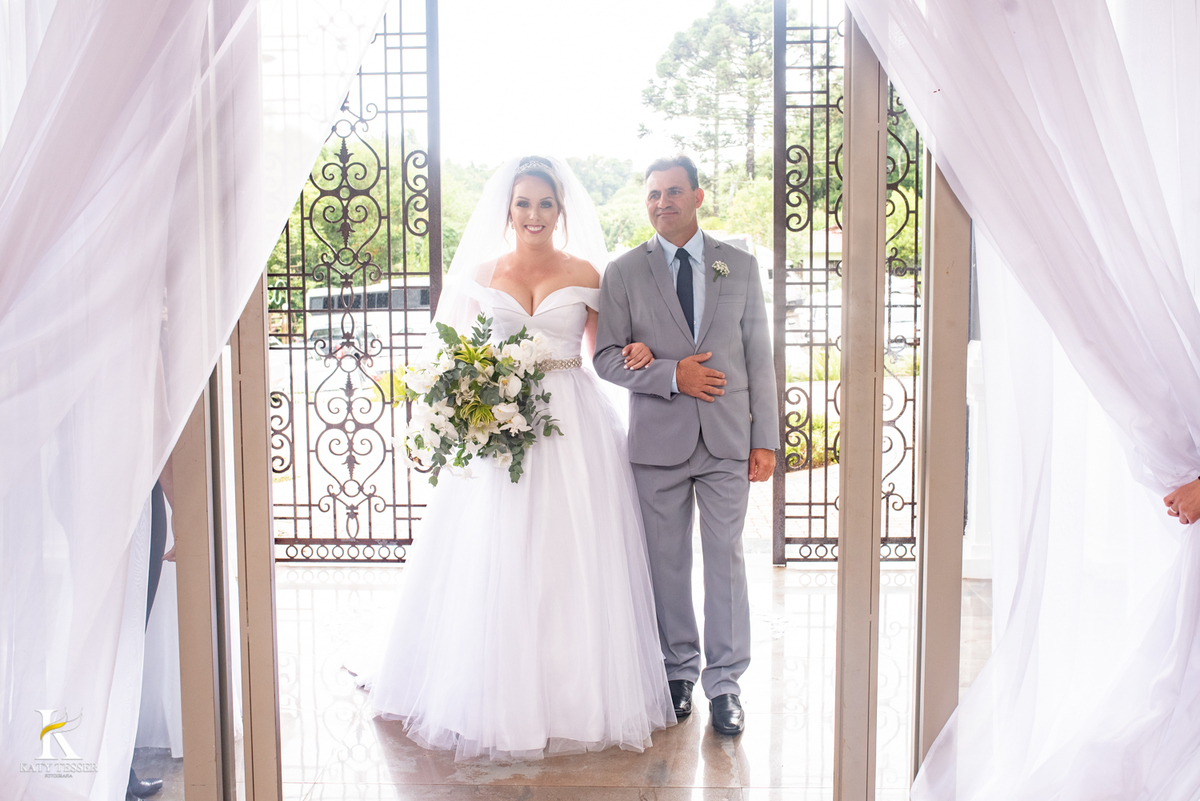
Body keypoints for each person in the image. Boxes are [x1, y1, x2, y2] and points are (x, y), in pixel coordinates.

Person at [366, 156, 675, 761]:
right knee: (500, 550)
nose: (534, 215)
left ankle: (573, 693)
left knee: (571, 552)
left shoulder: (589, 272)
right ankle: (495, 688)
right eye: (524, 203)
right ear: (507, 209)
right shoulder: (481, 273)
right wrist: (466, 398)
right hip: (502, 421)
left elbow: (603, 351)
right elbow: (444, 360)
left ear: (561, 210)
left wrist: (636, 349)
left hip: (573, 425)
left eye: (546, 204)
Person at [593, 155, 779, 736]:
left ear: (698, 197)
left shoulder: (740, 266)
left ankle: (725, 684)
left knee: (726, 561)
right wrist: (673, 376)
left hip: (727, 439)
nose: (662, 202)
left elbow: (759, 358)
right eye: (653, 194)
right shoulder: (622, 273)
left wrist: (765, 438)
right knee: (666, 564)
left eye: (673, 192)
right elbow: (604, 359)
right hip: (658, 443)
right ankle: (678, 673)